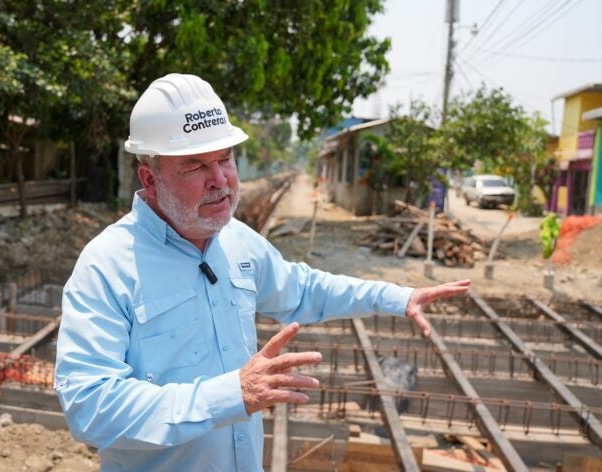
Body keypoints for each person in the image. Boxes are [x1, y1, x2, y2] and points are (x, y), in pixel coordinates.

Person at [54, 73, 470, 471]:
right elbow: (89, 406)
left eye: (225, 159)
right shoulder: (107, 265)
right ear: (150, 178)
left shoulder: (236, 239)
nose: (220, 180)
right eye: (195, 166)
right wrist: (230, 395)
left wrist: (397, 297)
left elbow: (304, 291)